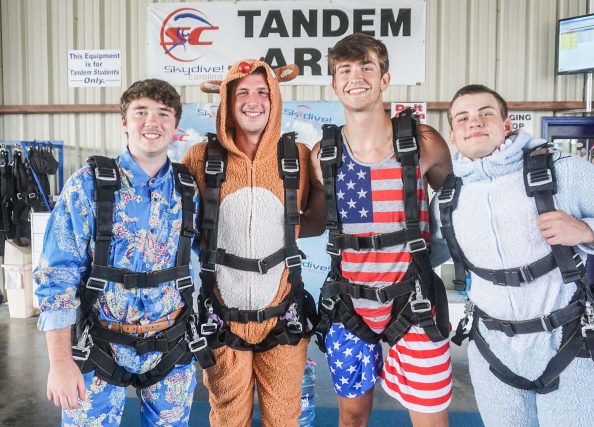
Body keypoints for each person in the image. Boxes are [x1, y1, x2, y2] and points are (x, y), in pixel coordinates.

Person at [436, 84, 594, 426]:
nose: (475, 123)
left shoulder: (562, 171)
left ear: (506, 125)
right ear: (454, 136)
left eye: (486, 113)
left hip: (569, 345)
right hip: (492, 353)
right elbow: (415, 260)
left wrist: (588, 231)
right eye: (463, 118)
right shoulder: (446, 199)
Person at [34, 79, 208, 426]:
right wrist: (60, 363)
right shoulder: (88, 185)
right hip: (98, 346)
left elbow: (215, 259)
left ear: (175, 126)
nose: (151, 122)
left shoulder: (188, 189)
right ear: (124, 121)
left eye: (163, 113)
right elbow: (57, 277)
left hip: (171, 346)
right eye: (140, 112)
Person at [310, 33, 453, 427]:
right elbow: (311, 223)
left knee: (430, 418)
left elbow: (463, 209)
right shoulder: (321, 154)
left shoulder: (422, 142)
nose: (356, 77)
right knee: (352, 416)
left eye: (366, 67)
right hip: (348, 303)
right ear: (334, 84)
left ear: (385, 79)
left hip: (417, 299)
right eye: (345, 70)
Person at [181, 59, 324, 426]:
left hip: (283, 318)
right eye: (242, 92)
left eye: (262, 91)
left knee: (284, 418)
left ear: (275, 99)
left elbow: (316, 222)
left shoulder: (298, 157)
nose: (253, 100)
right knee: (228, 417)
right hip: (221, 318)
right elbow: (177, 225)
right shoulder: (200, 158)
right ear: (227, 101)